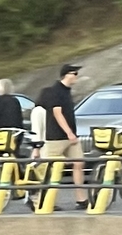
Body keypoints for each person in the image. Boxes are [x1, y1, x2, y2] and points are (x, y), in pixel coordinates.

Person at [36, 64, 85, 195]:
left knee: (78, 163)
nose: (77, 77)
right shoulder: (55, 91)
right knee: (52, 168)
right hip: (57, 136)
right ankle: (43, 198)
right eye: (75, 74)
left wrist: (72, 134)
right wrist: (69, 132)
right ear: (67, 74)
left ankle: (81, 198)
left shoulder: (67, 91)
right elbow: (57, 113)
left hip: (71, 136)